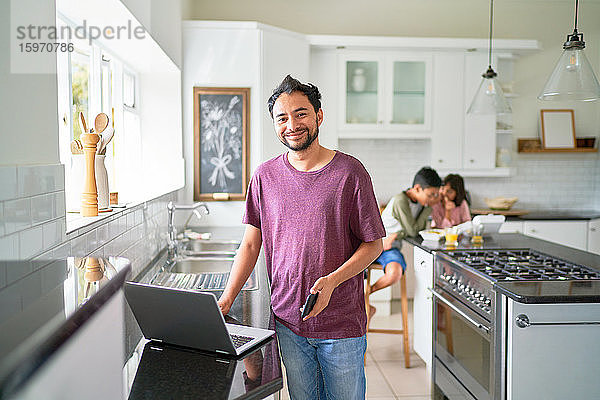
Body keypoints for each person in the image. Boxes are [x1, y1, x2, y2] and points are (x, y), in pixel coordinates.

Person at [217, 75, 385, 400]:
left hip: (341, 324)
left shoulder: (350, 173)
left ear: (318, 116)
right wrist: (226, 298)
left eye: (301, 113)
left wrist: (333, 280)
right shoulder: (265, 176)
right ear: (275, 124)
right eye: (282, 117)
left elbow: (373, 244)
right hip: (289, 323)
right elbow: (251, 243)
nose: (292, 124)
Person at [368, 167, 442, 319]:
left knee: (394, 274)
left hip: (390, 248)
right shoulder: (400, 200)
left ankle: (365, 295)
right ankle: (363, 303)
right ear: (417, 188)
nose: (433, 199)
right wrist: (429, 208)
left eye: (436, 195)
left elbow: (416, 231)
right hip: (374, 245)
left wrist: (397, 235)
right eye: (431, 195)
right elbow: (413, 230)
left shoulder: (423, 205)